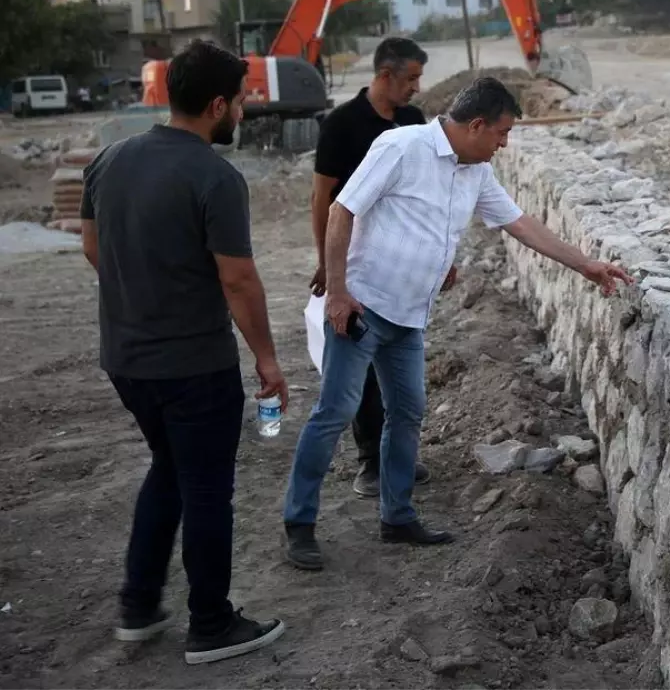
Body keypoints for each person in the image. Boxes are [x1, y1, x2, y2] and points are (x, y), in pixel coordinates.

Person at [282, 77, 633, 571]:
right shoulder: (402, 147)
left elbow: (521, 224)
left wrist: (586, 265)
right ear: (475, 126)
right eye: (502, 133)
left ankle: (397, 516)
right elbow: (343, 211)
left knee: (407, 412)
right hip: (364, 308)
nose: (505, 143)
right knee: (335, 412)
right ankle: (299, 524)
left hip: (409, 317)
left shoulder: (475, 171)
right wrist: (338, 292)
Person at [80, 39, 286, 665]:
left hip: (126, 361)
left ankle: (138, 606)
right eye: (243, 102)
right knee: (204, 489)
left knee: (167, 469)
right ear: (218, 104)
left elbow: (92, 247)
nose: (244, 115)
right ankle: (211, 624)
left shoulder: (110, 159)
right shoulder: (214, 177)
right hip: (194, 366)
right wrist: (269, 361)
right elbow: (238, 280)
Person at [309, 37, 440, 499]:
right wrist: (329, 267)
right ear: (385, 75)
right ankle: (369, 463)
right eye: (410, 79)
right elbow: (324, 199)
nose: (415, 88)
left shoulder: (411, 122)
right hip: (356, 261)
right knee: (358, 368)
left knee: (399, 370)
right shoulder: (341, 125)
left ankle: (397, 458)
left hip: (400, 268)